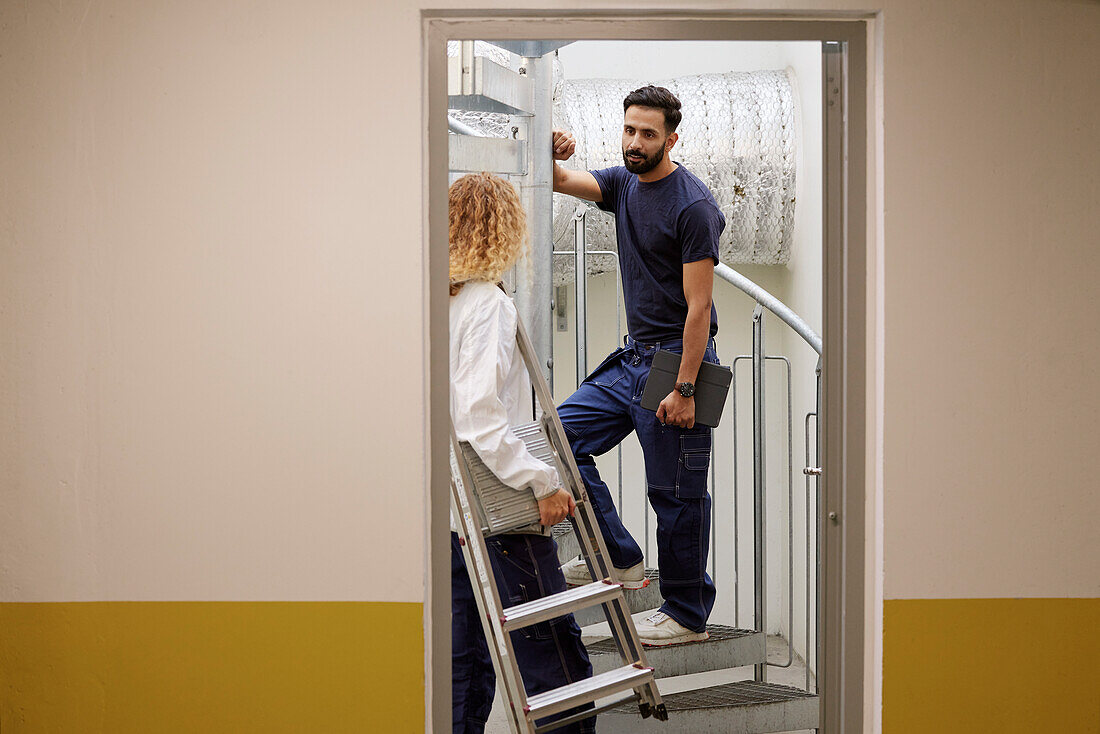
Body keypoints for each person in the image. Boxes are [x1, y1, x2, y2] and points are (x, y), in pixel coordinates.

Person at [550, 85, 726, 647]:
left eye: (648, 134)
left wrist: (686, 387)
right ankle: (618, 558)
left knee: (675, 493)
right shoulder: (624, 183)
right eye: (629, 130)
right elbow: (558, 181)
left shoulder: (693, 206)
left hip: (681, 364)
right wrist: (551, 150)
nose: (635, 142)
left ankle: (686, 614)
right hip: (634, 358)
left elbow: (699, 307)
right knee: (558, 437)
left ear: (671, 139)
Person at [448, 172, 596, 734]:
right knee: (554, 657)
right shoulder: (487, 303)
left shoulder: (441, 301)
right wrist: (541, 480)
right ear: (504, 230)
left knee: (466, 663)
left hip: (453, 515)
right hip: (499, 507)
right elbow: (478, 415)